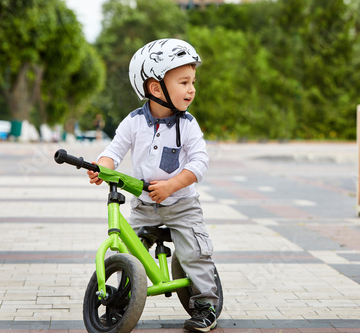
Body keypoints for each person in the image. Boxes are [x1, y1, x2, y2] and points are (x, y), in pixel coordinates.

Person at [87, 38, 218, 332]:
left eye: (192, 81)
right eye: (183, 82)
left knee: (195, 254)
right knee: (124, 249)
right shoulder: (133, 123)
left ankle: (206, 305)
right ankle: (121, 299)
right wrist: (101, 168)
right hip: (144, 207)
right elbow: (113, 152)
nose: (192, 89)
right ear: (156, 88)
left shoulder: (188, 125)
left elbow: (199, 162)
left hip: (182, 206)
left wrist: (172, 185)